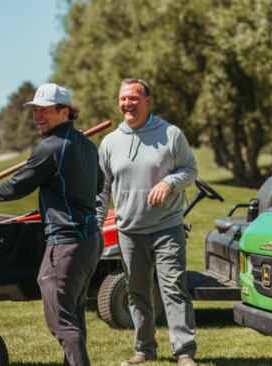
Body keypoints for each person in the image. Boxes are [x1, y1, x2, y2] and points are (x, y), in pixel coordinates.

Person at [0, 83, 104, 366]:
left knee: (60, 322)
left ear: (64, 110)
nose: (38, 116)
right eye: (35, 111)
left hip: (66, 244)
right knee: (73, 316)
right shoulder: (87, 145)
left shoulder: (50, 148)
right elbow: (99, 184)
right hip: (90, 240)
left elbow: (18, 186)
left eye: (45, 110)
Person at [96, 79, 198, 366]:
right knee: (137, 292)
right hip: (128, 230)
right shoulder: (110, 142)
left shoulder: (171, 134)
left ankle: (184, 352)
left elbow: (190, 169)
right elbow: (102, 189)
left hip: (167, 226)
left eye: (133, 98)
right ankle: (144, 349)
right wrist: (96, 223)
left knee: (174, 288)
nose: (127, 104)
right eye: (123, 98)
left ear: (147, 101)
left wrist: (169, 182)